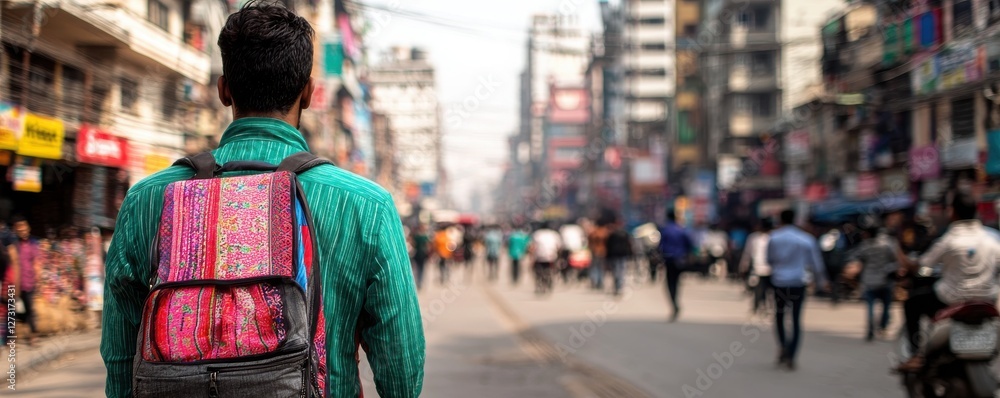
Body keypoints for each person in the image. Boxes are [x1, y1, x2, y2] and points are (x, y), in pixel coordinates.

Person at [101, 4, 425, 396]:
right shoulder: (366, 205)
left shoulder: (147, 199)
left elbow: (121, 360)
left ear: (224, 91)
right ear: (308, 93)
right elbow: (402, 374)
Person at [897, 192, 1000, 372]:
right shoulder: (991, 239)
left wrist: (902, 258)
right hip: (986, 299)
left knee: (912, 303)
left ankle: (916, 355)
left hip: (952, 298)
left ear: (952, 212)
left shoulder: (949, 240)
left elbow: (920, 265)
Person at [766, 209, 828, 371]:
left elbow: (769, 260)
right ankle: (792, 355)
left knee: (779, 317)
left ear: (780, 218)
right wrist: (822, 282)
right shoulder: (806, 239)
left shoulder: (774, 237)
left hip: (779, 282)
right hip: (798, 283)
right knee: (796, 320)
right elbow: (816, 264)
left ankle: (783, 346)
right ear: (796, 219)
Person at [846, 225, 902, 341]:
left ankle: (871, 327)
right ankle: (882, 325)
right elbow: (896, 259)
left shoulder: (865, 246)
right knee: (886, 306)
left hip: (869, 280)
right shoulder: (888, 244)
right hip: (885, 280)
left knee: (870, 306)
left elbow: (855, 257)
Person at [659, 209, 693, 322]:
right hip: (680, 260)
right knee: (677, 283)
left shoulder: (666, 230)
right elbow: (689, 244)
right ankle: (676, 303)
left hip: (669, 260)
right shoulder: (681, 229)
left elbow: (661, 246)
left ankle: (674, 304)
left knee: (670, 284)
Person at [11, 216, 39, 343]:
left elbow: (36, 262)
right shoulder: (13, 245)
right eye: (20, 228)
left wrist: (37, 278)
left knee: (29, 309)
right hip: (14, 281)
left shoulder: (32, 243)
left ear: (28, 228)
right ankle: (11, 336)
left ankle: (32, 335)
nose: (23, 230)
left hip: (28, 281)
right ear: (16, 230)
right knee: (13, 310)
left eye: (25, 227)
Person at [740, 218, 773, 314]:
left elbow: (747, 253)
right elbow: (748, 253)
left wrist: (744, 265)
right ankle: (757, 305)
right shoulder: (754, 238)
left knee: (766, 290)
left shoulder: (773, 238)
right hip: (758, 267)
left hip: (769, 268)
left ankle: (765, 306)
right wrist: (744, 265)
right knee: (758, 288)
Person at [530, 222, 562, 294]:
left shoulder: (537, 234)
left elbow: (532, 247)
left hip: (539, 256)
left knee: (537, 270)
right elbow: (559, 247)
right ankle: (549, 278)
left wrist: (531, 257)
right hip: (551, 256)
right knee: (551, 269)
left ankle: (539, 282)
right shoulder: (554, 234)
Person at [604, 218, 633, 296]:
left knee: (616, 271)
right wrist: (631, 255)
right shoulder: (625, 234)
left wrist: (607, 257)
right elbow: (629, 245)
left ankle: (617, 286)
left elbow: (608, 246)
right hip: (622, 255)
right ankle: (619, 287)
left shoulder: (612, 234)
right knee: (621, 271)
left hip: (614, 255)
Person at [587, 221, 609, 290]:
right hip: (602, 252)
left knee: (594, 267)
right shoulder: (604, 232)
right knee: (601, 268)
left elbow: (589, 242)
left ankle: (595, 281)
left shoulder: (593, 233)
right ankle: (600, 282)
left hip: (594, 251)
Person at [410, 224, 432, 290]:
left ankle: (418, 281)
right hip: (422, 254)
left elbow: (413, 244)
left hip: (417, 254)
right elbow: (428, 245)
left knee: (418, 268)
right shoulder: (424, 237)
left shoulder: (416, 236)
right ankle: (420, 281)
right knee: (421, 269)